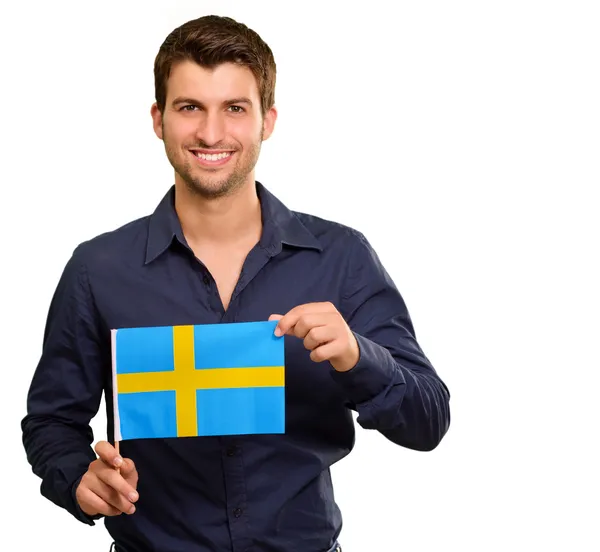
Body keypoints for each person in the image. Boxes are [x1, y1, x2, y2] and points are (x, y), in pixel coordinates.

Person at [21, 14, 451, 552]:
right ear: (158, 119)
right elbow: (51, 422)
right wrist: (78, 477)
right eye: (189, 107)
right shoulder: (97, 269)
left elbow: (429, 420)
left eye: (235, 108)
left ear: (267, 121)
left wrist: (357, 357)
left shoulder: (341, 257)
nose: (211, 132)